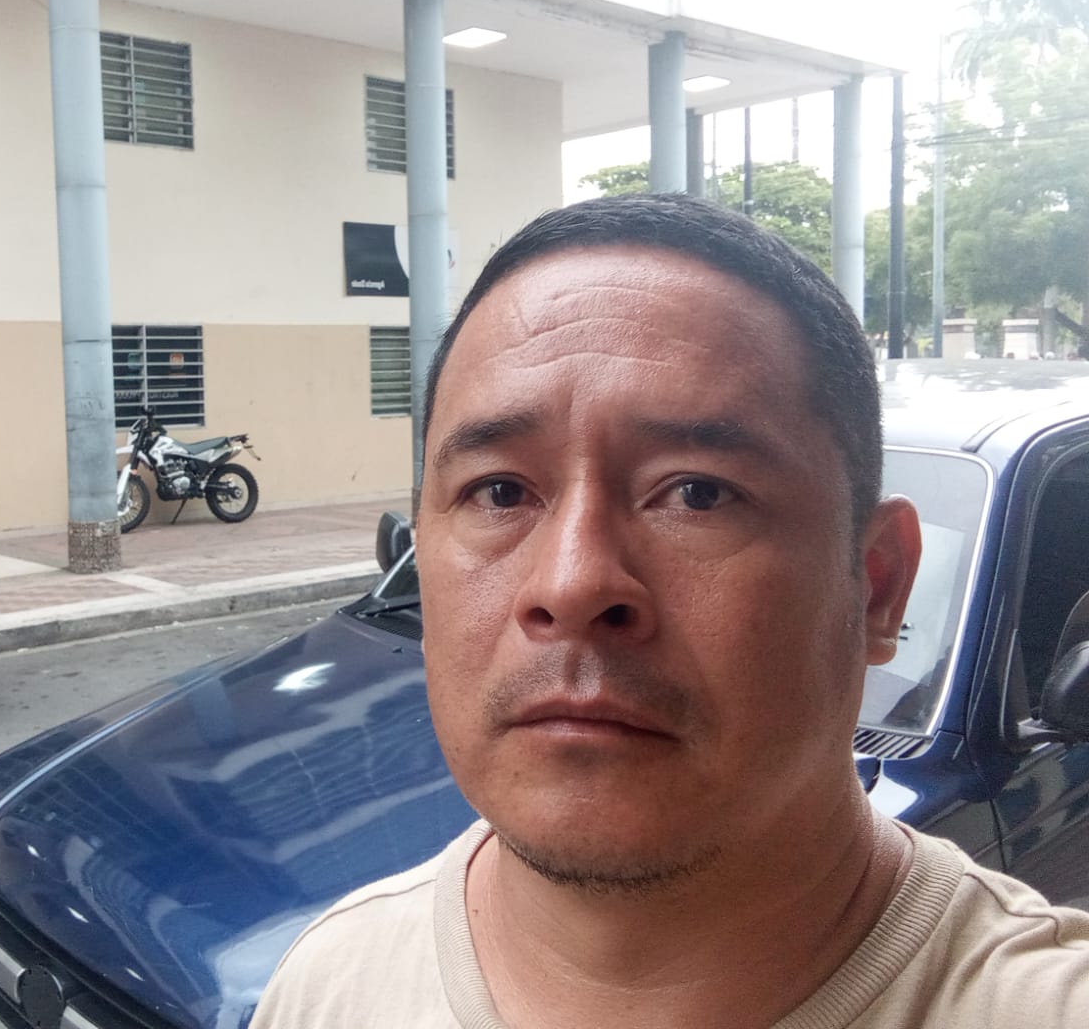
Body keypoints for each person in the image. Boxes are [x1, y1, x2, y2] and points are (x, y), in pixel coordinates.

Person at [251, 193, 1089, 1029]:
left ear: (876, 585)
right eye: (500, 491)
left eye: (698, 494)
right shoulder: (330, 987)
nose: (572, 585)